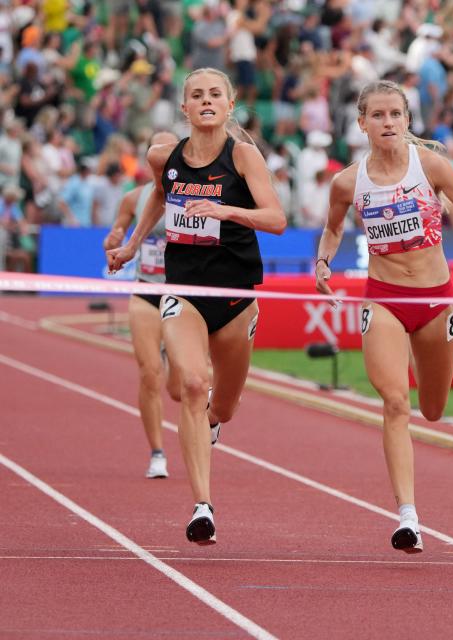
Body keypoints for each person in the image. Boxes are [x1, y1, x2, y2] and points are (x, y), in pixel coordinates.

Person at [315, 80, 453, 553]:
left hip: (436, 300)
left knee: (432, 408)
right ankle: (407, 515)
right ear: (362, 123)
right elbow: (332, 229)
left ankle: (425, 408)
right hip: (383, 297)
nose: (387, 123)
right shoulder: (348, 182)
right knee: (395, 404)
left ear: (407, 121)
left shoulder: (429, 165)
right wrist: (323, 261)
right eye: (378, 115)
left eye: (395, 114)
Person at [107, 68, 286, 545]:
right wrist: (132, 246)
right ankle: (202, 505)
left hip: (235, 296)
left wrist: (226, 211)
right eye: (196, 95)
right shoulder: (163, 156)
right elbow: (160, 198)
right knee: (190, 382)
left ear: (229, 106)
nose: (206, 101)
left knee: (222, 405)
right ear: (184, 108)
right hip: (183, 289)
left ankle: (212, 422)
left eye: (215, 95)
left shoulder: (243, 155)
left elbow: (277, 219)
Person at [103, 130, 182, 479]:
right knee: (149, 374)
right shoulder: (134, 198)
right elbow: (116, 233)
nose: (164, 156)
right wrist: (115, 238)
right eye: (158, 150)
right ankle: (157, 452)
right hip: (146, 293)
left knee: (180, 388)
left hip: (183, 298)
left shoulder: (189, 196)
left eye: (171, 149)